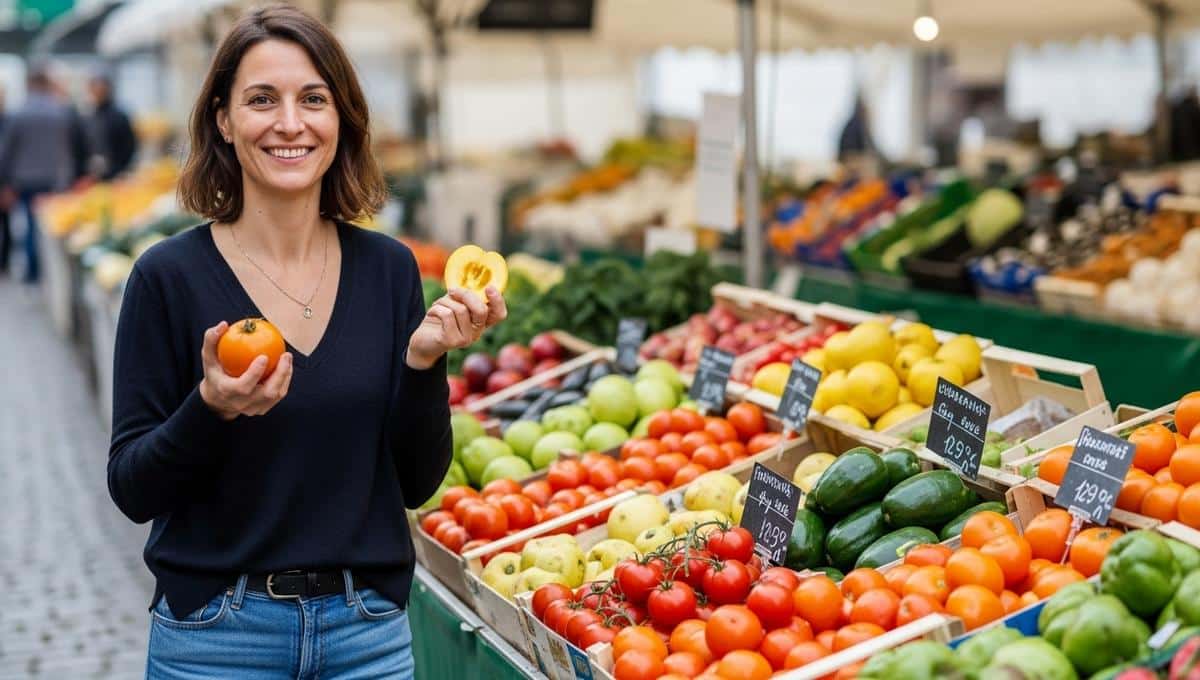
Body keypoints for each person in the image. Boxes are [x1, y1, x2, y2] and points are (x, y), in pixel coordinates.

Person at [106, 5, 506, 678]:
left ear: (342, 118)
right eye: (262, 99)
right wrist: (209, 408)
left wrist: (423, 361)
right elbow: (131, 488)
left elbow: (416, 484)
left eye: (313, 99)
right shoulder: (167, 278)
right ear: (223, 120)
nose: (290, 123)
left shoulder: (389, 269)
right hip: (218, 639)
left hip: (367, 637)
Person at [0, 68, 87, 283]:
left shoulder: (18, 114)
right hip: (56, 177)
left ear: (29, 84)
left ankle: (33, 271)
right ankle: (50, 272)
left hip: (25, 178)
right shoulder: (60, 112)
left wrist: (5, 182)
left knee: (30, 224)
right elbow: (74, 146)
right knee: (52, 225)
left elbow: (7, 150)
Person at [85, 74, 138, 179]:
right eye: (95, 89)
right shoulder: (89, 115)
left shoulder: (119, 116)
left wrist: (121, 169)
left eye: (101, 89)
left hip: (116, 173)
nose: (98, 93)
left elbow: (129, 145)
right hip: (93, 173)